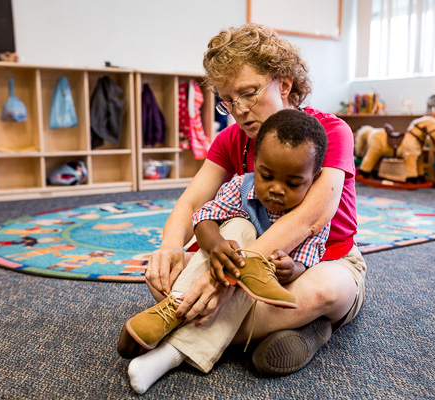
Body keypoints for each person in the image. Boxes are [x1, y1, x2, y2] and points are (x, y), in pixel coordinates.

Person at [142, 22, 366, 380]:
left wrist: (228, 276)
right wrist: (169, 247)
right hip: (250, 269)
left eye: (249, 93)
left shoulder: (329, 132)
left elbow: (311, 217)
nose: (240, 110)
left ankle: (185, 326)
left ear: (285, 83)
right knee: (168, 275)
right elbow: (190, 204)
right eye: (228, 100)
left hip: (320, 262)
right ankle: (289, 328)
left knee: (327, 292)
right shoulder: (232, 138)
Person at [122, 109, 330, 393]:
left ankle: (170, 353)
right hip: (222, 268)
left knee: (249, 276)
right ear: (254, 163)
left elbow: (306, 262)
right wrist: (216, 245)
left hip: (254, 293)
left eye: (293, 183)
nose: (277, 190)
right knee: (238, 228)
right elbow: (203, 217)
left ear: (315, 177)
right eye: (266, 176)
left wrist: (290, 268)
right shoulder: (239, 187)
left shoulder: (313, 212)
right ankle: (173, 310)